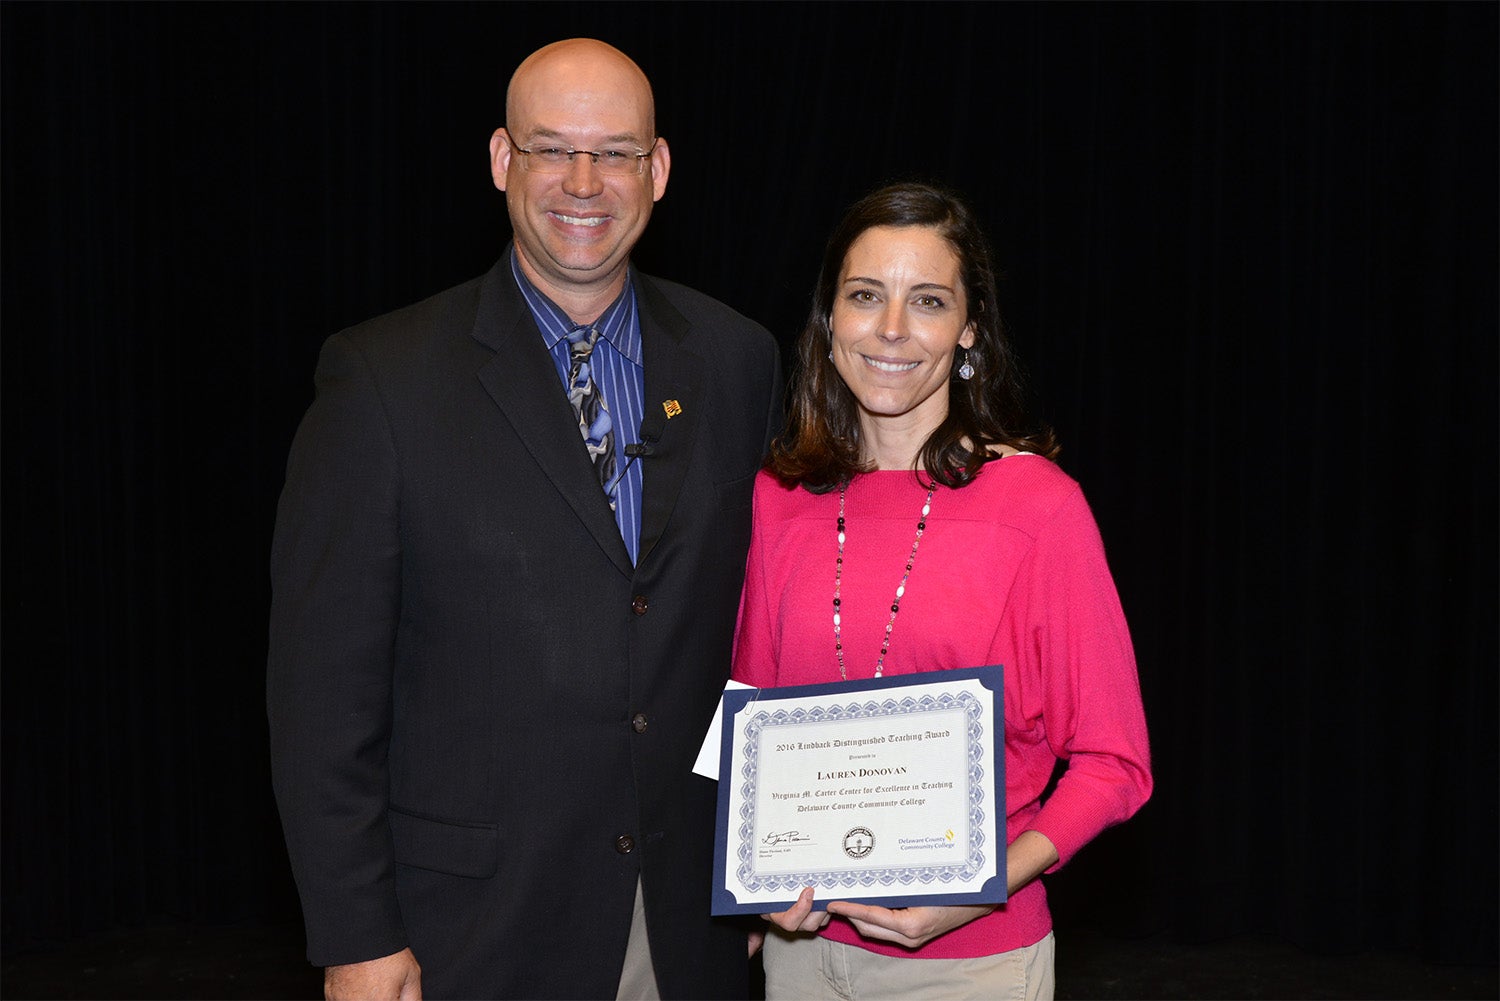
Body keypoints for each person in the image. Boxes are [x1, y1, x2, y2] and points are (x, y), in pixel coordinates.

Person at [267, 38, 782, 1000]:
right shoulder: (382, 380)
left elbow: (764, 624)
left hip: (687, 923)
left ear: (658, 171)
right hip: (468, 933)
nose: (584, 181)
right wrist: (355, 934)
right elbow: (320, 693)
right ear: (503, 161)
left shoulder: (737, 359)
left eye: (617, 153)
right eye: (553, 148)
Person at [730, 182, 1151, 1000]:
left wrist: (980, 883)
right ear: (829, 319)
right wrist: (746, 883)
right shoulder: (778, 498)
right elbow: (746, 711)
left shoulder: (1038, 506)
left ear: (969, 328)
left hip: (975, 963)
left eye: (926, 300)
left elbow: (1115, 760)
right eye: (864, 296)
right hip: (802, 955)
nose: (891, 330)